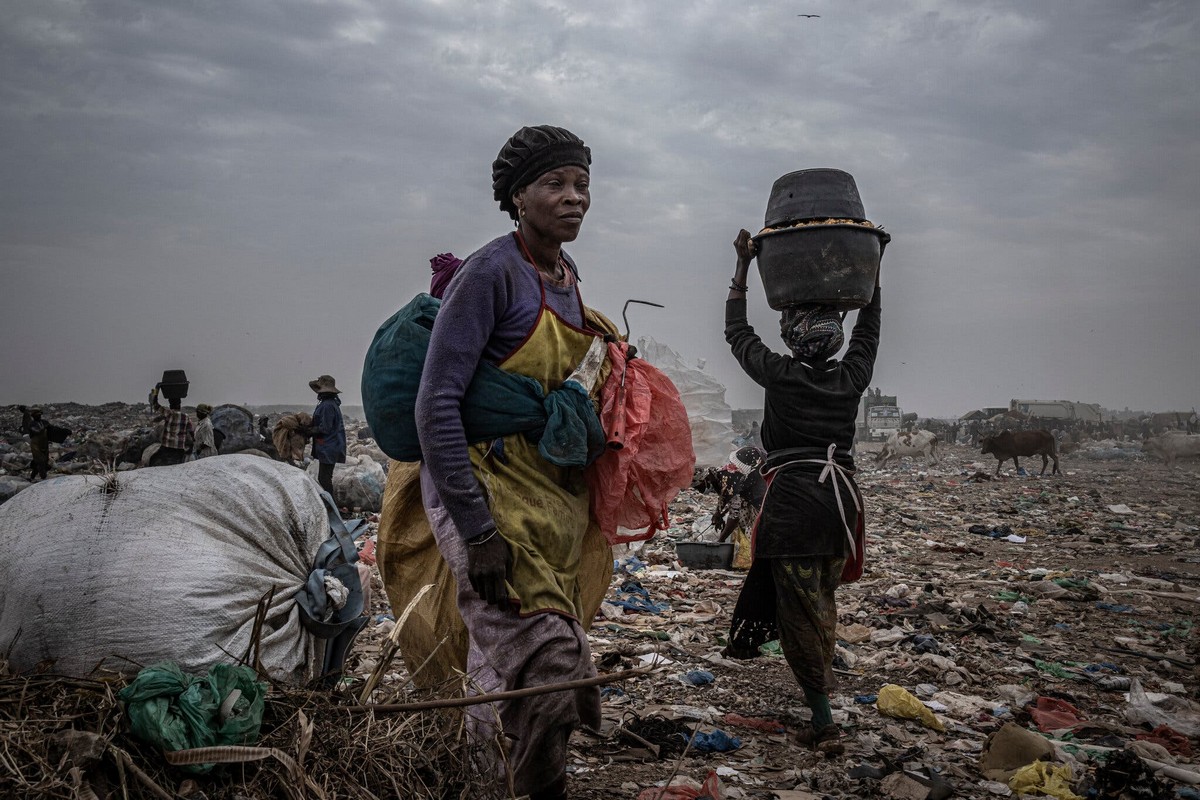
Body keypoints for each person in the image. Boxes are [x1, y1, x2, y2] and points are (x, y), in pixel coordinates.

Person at [413, 124, 612, 800]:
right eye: (555, 184)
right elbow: (435, 404)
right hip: (482, 492)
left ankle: (483, 785)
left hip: (542, 497)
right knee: (553, 659)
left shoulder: (567, 276)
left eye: (582, 184)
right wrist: (477, 531)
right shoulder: (489, 272)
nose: (574, 197)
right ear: (517, 196)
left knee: (498, 669)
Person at [722, 226, 884, 755]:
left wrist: (744, 266)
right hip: (840, 507)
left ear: (793, 336)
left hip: (793, 507)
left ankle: (824, 721)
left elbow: (737, 332)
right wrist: (872, 270)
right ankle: (821, 702)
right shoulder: (851, 377)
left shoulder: (781, 375)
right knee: (823, 604)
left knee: (798, 617)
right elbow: (869, 331)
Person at [308, 375, 346, 496]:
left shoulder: (327, 406)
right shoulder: (328, 404)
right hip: (329, 446)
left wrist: (308, 430)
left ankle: (331, 506)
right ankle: (329, 505)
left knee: (324, 478)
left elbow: (325, 428)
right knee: (324, 478)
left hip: (329, 447)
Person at [149, 385, 194, 466]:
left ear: (170, 405)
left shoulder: (168, 413)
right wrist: (191, 447)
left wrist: (156, 390)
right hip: (179, 449)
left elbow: (155, 404)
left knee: (153, 460)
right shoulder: (186, 417)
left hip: (167, 447)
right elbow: (191, 432)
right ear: (180, 405)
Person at [19, 405, 51, 480]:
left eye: (39, 415)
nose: (38, 416)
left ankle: (32, 476)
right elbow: (36, 431)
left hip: (44, 444)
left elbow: (51, 429)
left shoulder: (44, 422)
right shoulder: (32, 424)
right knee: (40, 461)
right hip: (36, 445)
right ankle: (43, 478)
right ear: (33, 416)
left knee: (44, 461)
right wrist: (44, 427)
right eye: (36, 415)